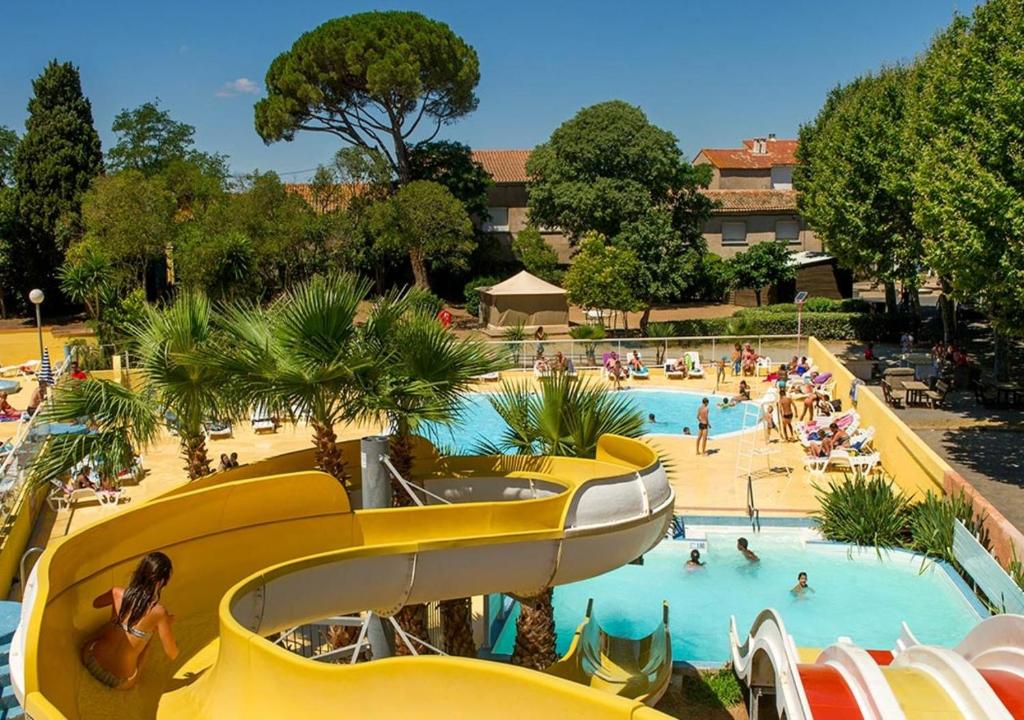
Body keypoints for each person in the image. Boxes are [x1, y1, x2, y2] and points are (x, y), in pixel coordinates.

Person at [81, 552, 178, 690]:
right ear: (161, 582)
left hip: (90, 660)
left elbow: (96, 603)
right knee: (148, 639)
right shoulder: (159, 613)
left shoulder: (117, 593)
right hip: (120, 682)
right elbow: (172, 654)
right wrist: (165, 623)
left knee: (114, 624)